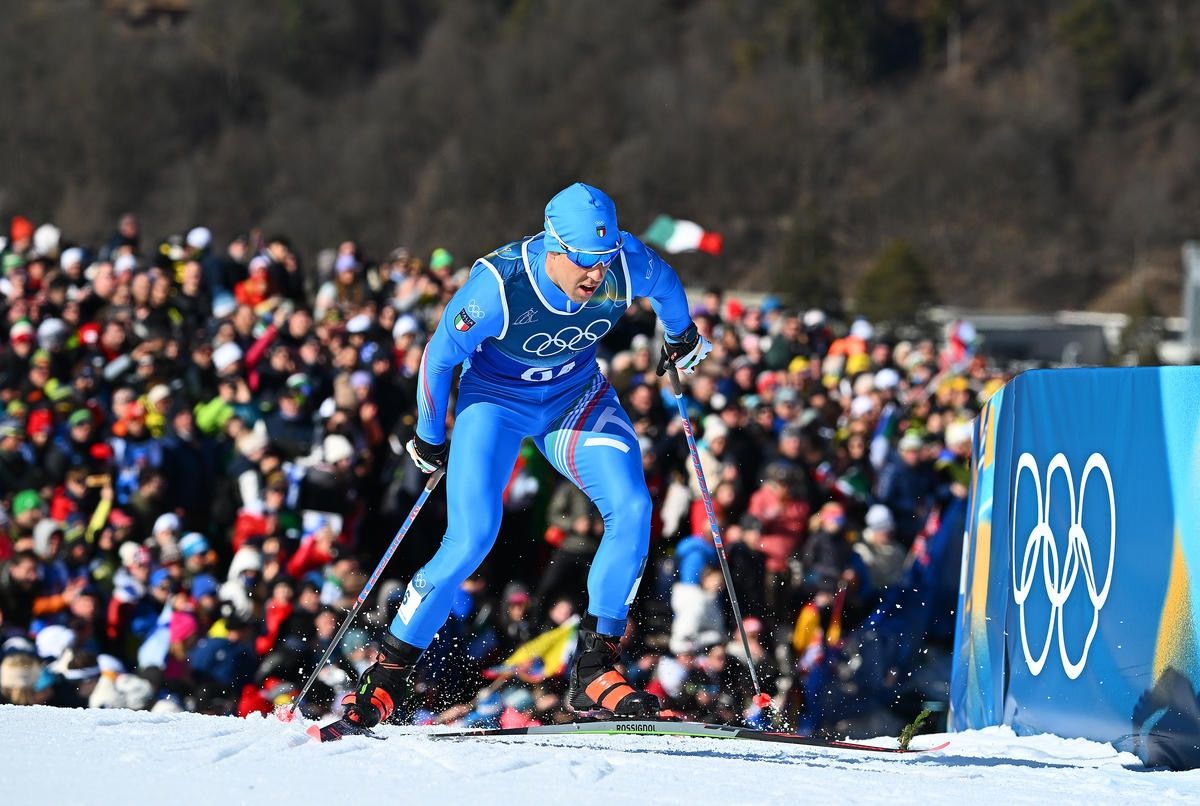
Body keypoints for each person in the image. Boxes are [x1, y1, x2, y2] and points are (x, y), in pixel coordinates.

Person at [317, 182, 712, 739]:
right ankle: (387, 675)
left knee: (633, 508)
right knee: (472, 537)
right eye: (584, 260)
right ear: (554, 246)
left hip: (575, 397)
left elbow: (666, 284)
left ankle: (595, 668)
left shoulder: (623, 262)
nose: (597, 273)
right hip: (496, 405)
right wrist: (428, 438)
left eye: (604, 258)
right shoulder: (500, 286)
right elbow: (438, 358)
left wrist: (681, 334)